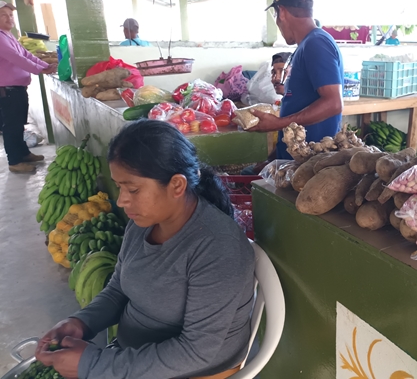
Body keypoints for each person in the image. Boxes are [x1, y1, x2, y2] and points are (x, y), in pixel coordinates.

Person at [35, 120, 255, 379]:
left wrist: (94, 365)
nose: (121, 200)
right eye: (120, 187)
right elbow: (118, 289)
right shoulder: (143, 223)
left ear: (176, 185)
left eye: (133, 189)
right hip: (132, 358)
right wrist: (82, 322)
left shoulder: (218, 248)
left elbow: (196, 352)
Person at [249, 0, 344, 162]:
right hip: (296, 158)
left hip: (311, 161)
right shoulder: (306, 45)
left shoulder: (316, 43)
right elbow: (303, 99)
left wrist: (277, 123)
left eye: (276, 16)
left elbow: (334, 103)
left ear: (282, 12)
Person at [0, 0, 55, 173]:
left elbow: (26, 54)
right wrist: (40, 70)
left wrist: (44, 66)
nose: (9, 18)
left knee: (18, 124)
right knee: (11, 126)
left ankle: (23, 153)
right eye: (4, 15)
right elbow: (18, 59)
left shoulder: (7, 35)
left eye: (10, 15)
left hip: (16, 88)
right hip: (7, 90)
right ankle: (15, 161)